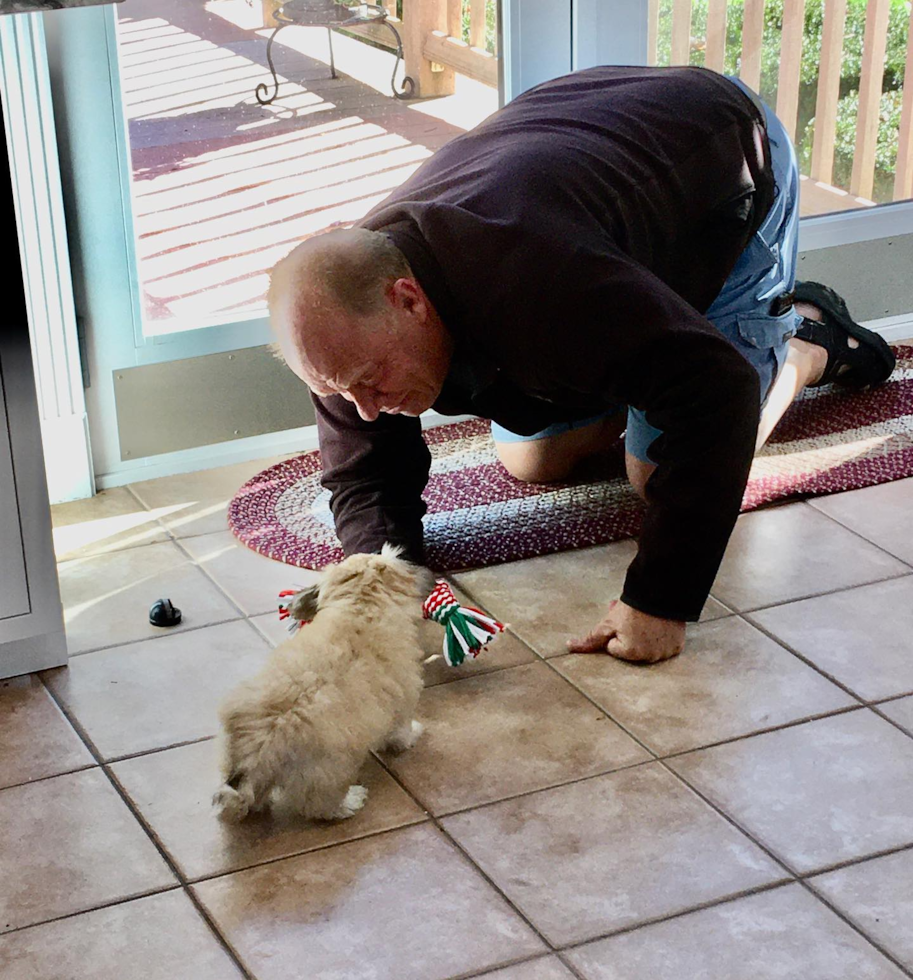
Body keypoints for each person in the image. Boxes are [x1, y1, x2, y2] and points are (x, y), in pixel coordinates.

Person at [268, 65, 895, 663]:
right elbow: (366, 477)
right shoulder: (344, 325)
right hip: (585, 189)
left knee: (656, 476)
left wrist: (661, 601)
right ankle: (639, 340)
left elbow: (717, 390)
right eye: (343, 393)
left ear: (408, 300)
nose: (366, 408)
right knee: (532, 460)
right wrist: (380, 590)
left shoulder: (538, 283)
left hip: (721, 163)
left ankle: (804, 345)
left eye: (371, 384)